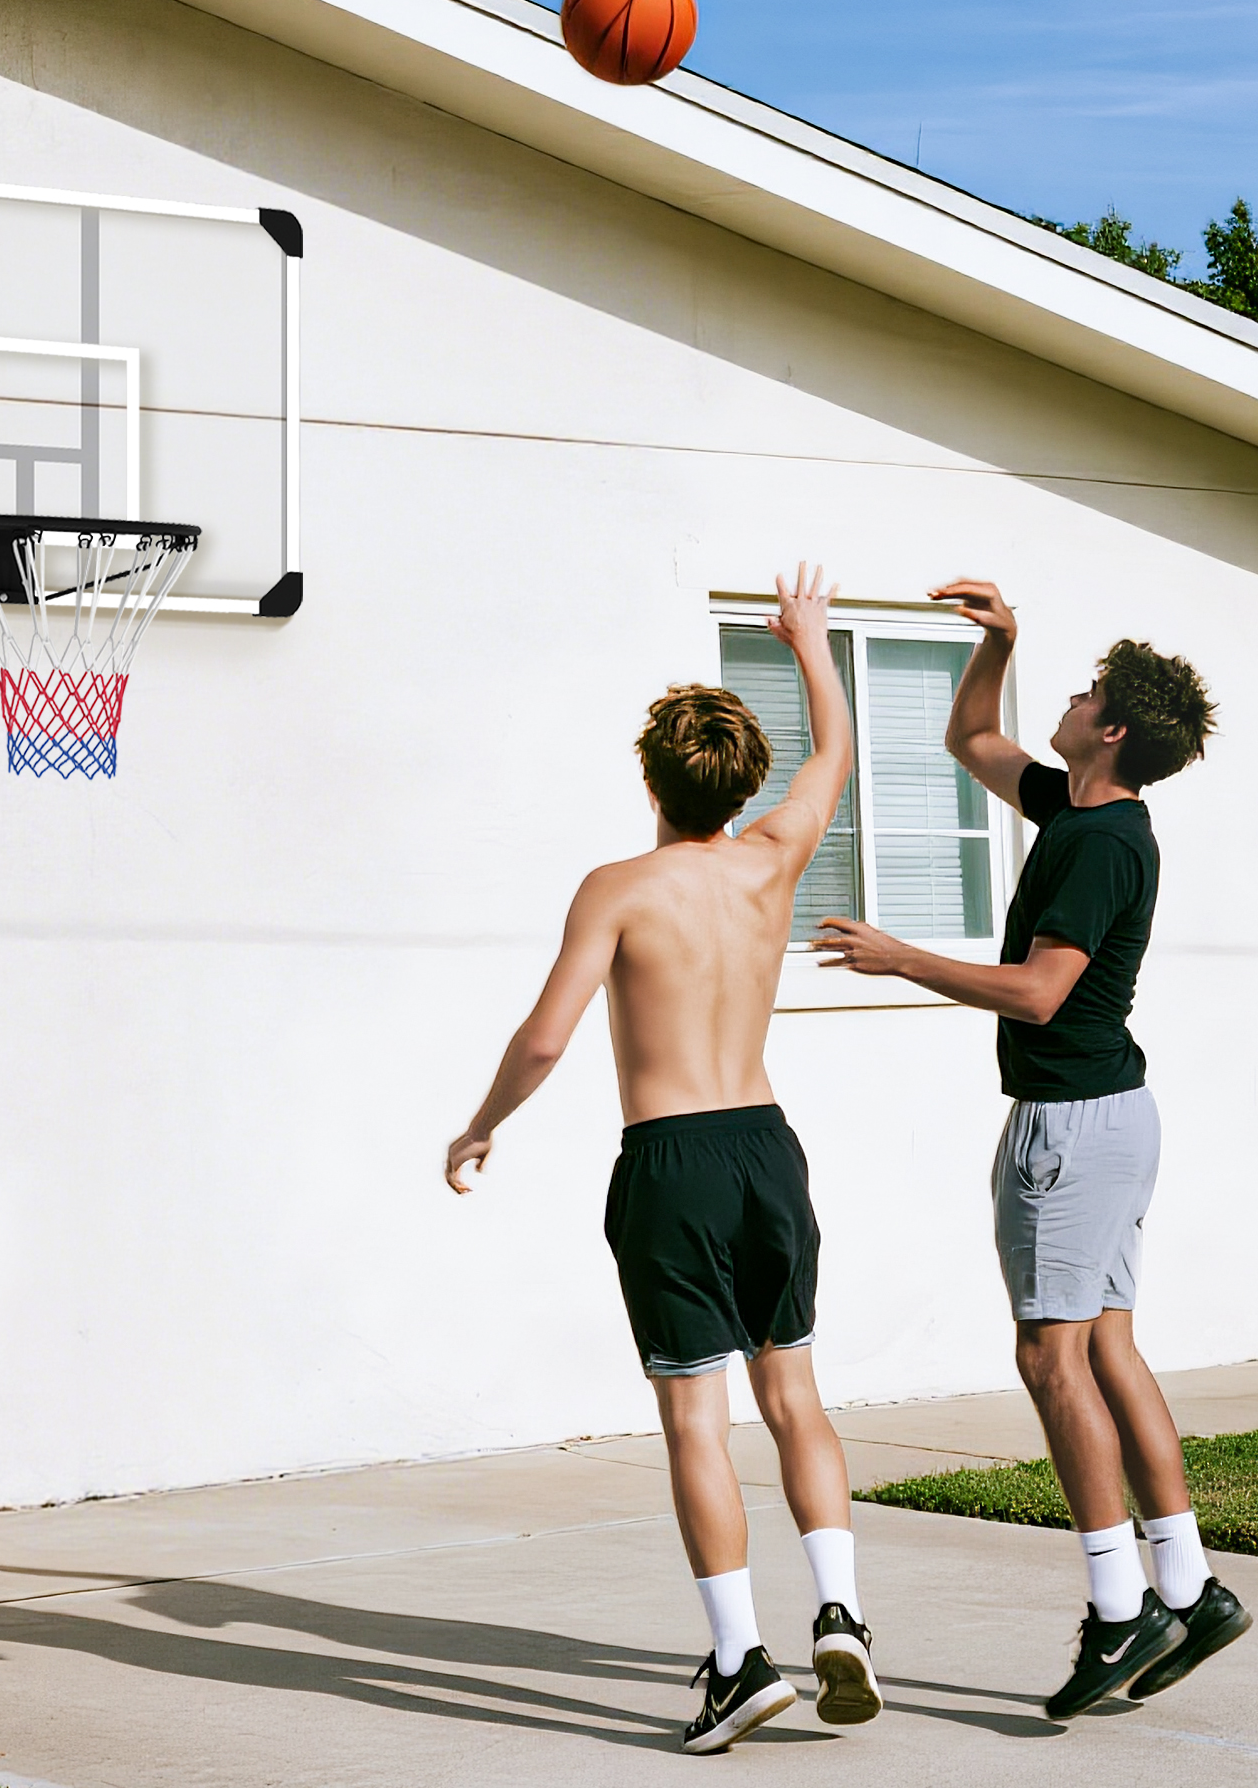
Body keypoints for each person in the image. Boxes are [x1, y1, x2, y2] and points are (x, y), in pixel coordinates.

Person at [444, 565, 883, 1756]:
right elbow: (833, 757)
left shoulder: (617, 888)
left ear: (650, 779)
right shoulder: (773, 857)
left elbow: (545, 1036)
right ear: (742, 782)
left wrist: (482, 1122)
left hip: (671, 1159)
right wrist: (810, 643)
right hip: (766, 1146)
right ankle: (839, 1611)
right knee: (792, 1393)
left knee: (697, 1416)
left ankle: (738, 1661)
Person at [812, 578, 1248, 1720]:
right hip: (1112, 1114)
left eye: (1087, 691)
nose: (1070, 696)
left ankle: (1120, 1608)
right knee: (1106, 1348)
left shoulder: (1096, 844)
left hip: (1070, 1124)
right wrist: (998, 645)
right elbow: (969, 738)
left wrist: (902, 957)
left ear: (1112, 730)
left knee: (1052, 1361)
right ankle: (1189, 1588)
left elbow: (1042, 992)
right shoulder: (1076, 809)